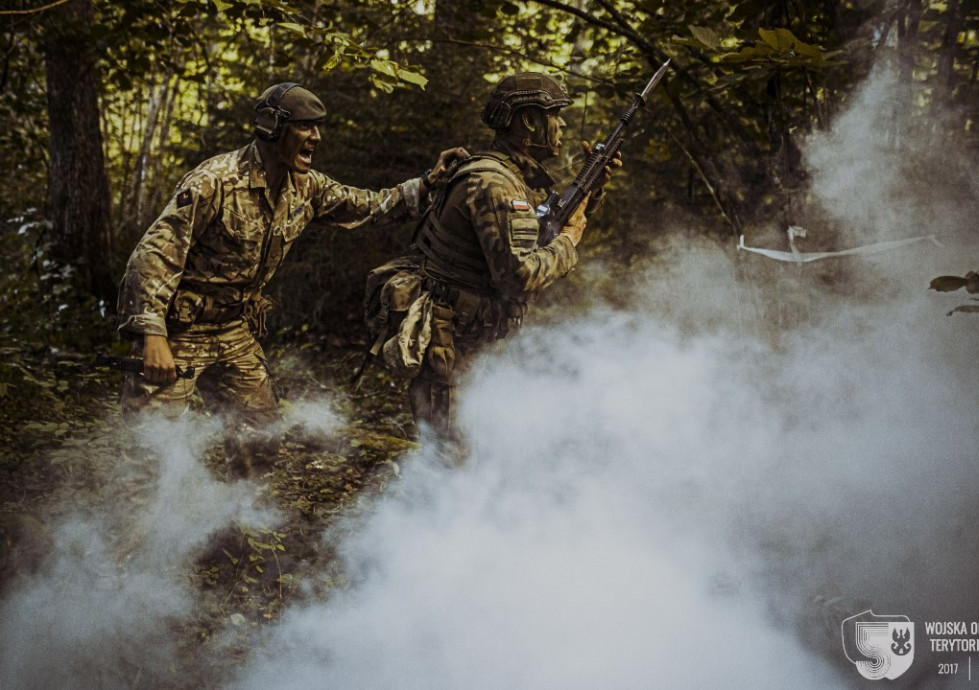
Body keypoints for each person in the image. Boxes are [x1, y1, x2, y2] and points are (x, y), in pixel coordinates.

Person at [117, 81, 467, 475]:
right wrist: (152, 335)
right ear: (271, 127)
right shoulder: (215, 181)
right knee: (148, 453)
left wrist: (426, 184)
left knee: (259, 439)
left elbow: (368, 205)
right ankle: (128, 535)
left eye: (318, 127)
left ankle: (237, 528)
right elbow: (154, 254)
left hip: (234, 330)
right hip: (178, 330)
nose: (316, 137)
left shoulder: (307, 186)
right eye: (305, 126)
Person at [367, 72, 619, 441]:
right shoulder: (493, 182)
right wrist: (570, 240)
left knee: (483, 454)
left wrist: (590, 196)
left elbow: (536, 237)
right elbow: (518, 275)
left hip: (480, 343)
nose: (562, 123)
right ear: (528, 121)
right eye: (554, 114)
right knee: (452, 461)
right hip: (453, 349)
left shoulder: (510, 178)